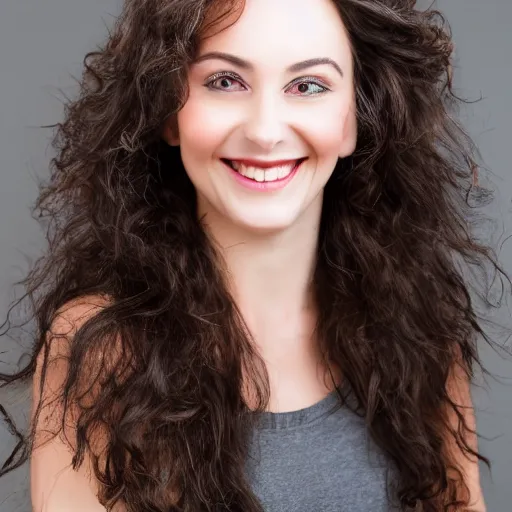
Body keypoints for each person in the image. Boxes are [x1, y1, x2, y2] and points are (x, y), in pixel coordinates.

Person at [1, 0, 508, 510]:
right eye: (224, 81)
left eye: (308, 86)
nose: (266, 131)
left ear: (356, 120)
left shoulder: (419, 331)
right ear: (168, 112)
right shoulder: (99, 350)